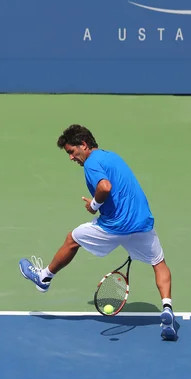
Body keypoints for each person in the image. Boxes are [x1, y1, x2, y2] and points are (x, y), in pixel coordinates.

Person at [19, 124, 177, 340]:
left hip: (114, 226)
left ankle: (44, 277)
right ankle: (167, 308)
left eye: (71, 152)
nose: (71, 158)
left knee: (72, 239)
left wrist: (94, 205)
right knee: (159, 264)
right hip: (142, 222)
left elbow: (104, 187)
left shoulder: (91, 164)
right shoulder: (111, 157)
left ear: (83, 145)